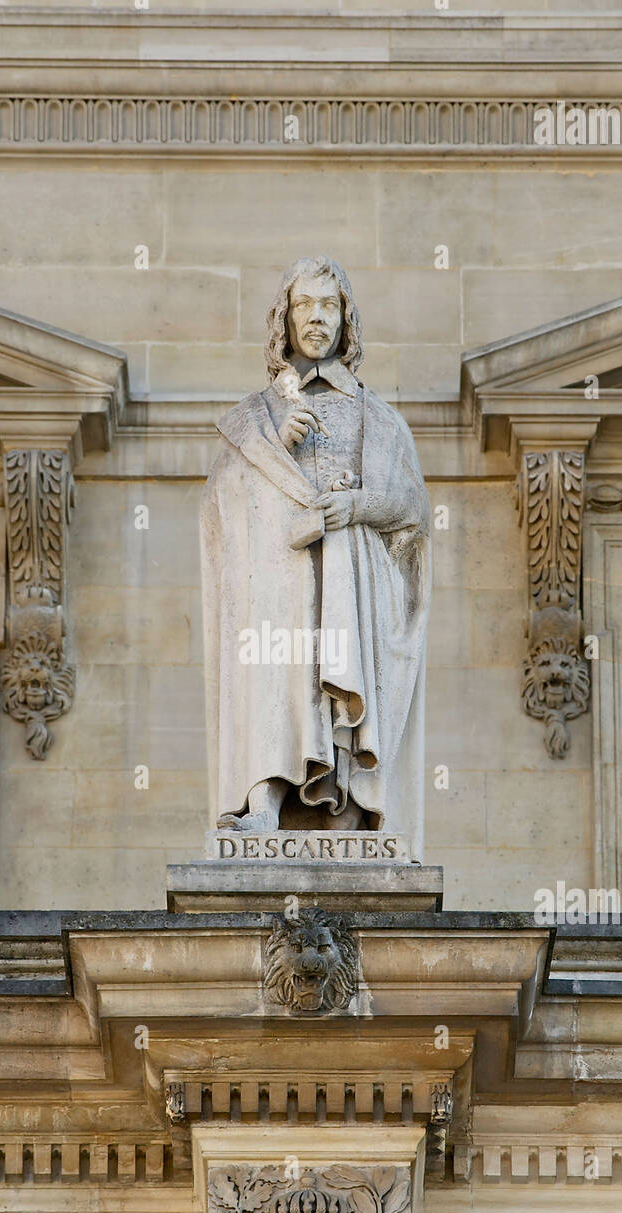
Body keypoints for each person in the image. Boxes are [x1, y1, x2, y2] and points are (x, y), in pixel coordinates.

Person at [201, 256, 431, 851]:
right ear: (286, 317)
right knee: (276, 674)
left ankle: (349, 803)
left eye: (330, 306)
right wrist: (276, 447)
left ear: (346, 319)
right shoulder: (258, 416)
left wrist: (355, 507)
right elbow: (220, 509)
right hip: (278, 578)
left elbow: (411, 509)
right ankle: (263, 799)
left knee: (342, 675)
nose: (318, 318)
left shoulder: (380, 419)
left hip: (354, 578)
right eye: (306, 305)